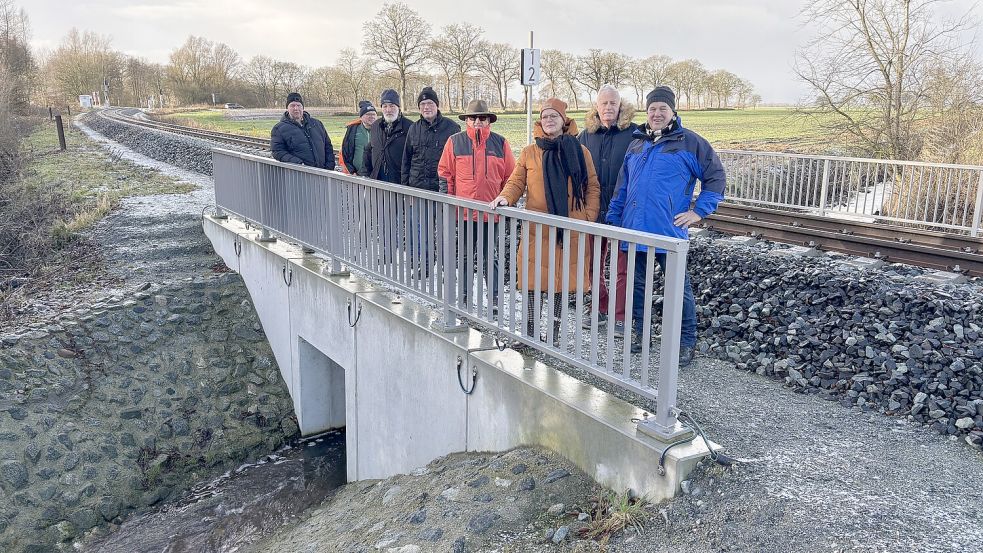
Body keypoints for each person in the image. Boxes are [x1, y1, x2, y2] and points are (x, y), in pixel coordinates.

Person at [606, 86, 726, 366]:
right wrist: (614, 220)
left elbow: (716, 177)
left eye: (663, 108)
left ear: (673, 111)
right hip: (634, 229)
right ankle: (641, 334)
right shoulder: (637, 143)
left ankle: (686, 343)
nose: (657, 114)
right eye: (652, 109)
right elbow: (623, 187)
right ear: (646, 112)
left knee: (678, 289)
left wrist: (698, 212)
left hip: (668, 231)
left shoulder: (690, 142)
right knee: (637, 287)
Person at [491, 98, 600, 345]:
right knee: (533, 283)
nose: (549, 120)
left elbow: (592, 186)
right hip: (537, 229)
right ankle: (530, 333)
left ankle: (553, 335)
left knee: (561, 284)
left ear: (564, 120)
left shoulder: (580, 151)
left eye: (554, 116)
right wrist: (505, 197)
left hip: (569, 227)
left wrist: (587, 217)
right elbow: (516, 181)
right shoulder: (530, 152)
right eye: (545, 116)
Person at [438, 99, 515, 306]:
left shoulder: (501, 143)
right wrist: (448, 204)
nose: (477, 121)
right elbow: (446, 174)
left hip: (492, 212)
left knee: (492, 256)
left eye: (482, 117)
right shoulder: (455, 142)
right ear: (467, 120)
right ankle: (464, 296)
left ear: (489, 120)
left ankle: (495, 297)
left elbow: (510, 177)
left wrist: (506, 203)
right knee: (464, 256)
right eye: (473, 118)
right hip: (464, 212)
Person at [578, 84, 639, 337]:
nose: (608, 107)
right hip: (593, 209)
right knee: (592, 262)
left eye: (613, 103)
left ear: (620, 105)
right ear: (596, 106)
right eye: (604, 103)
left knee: (623, 266)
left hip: (623, 210)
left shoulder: (634, 134)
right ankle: (599, 306)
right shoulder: (585, 136)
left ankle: (621, 316)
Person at [402, 87, 460, 190]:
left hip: (440, 189)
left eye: (430, 103)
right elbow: (406, 160)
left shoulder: (452, 128)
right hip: (416, 188)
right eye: (422, 104)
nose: (426, 107)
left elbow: (457, 163)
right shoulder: (413, 128)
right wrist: (405, 188)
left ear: (437, 105)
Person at [270, 92, 335, 169]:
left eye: (298, 105)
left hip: (323, 171)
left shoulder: (317, 124)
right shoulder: (279, 129)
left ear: (303, 108)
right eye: (292, 105)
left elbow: (328, 146)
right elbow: (277, 151)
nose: (296, 108)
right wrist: (298, 163)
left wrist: (330, 166)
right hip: (299, 173)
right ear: (287, 108)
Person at [363, 89, 411, 183]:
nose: (388, 110)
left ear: (398, 107)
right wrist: (365, 174)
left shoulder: (410, 127)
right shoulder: (375, 126)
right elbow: (369, 150)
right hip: (377, 181)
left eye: (392, 106)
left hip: (400, 183)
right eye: (385, 106)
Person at [339, 100, 376, 175]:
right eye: (368, 114)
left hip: (376, 175)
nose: (371, 116)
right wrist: (351, 171)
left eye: (373, 114)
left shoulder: (381, 130)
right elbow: (345, 152)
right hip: (356, 174)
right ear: (361, 117)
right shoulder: (352, 130)